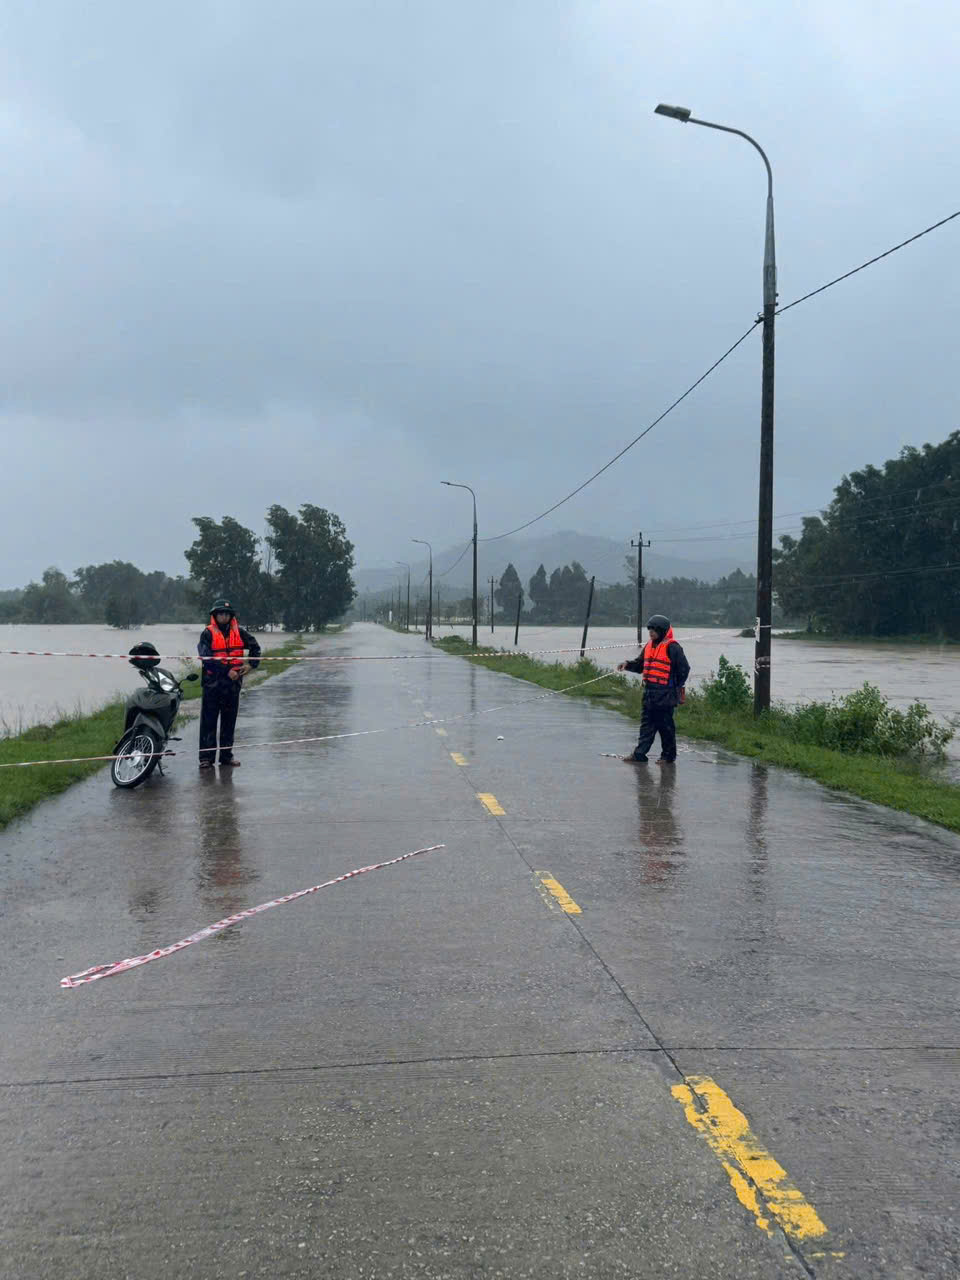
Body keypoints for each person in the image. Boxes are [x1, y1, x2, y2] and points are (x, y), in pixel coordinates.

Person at [617, 613, 690, 765]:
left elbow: (684, 669)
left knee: (665, 727)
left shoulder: (673, 647)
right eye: (649, 629)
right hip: (650, 693)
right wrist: (627, 665)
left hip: (665, 694)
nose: (651, 632)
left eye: (654, 629)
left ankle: (668, 756)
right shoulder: (649, 646)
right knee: (646, 725)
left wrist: (675, 687)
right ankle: (639, 754)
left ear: (662, 630)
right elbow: (640, 665)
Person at [197, 599, 261, 769]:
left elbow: (256, 648)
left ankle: (226, 757)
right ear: (215, 615)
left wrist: (250, 665)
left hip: (232, 685)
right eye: (220, 614)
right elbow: (206, 658)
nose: (223, 617)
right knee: (208, 722)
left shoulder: (239, 632)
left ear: (230, 616)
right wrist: (226, 671)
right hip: (213, 685)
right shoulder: (207, 633)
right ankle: (206, 758)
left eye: (226, 614)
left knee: (229, 722)